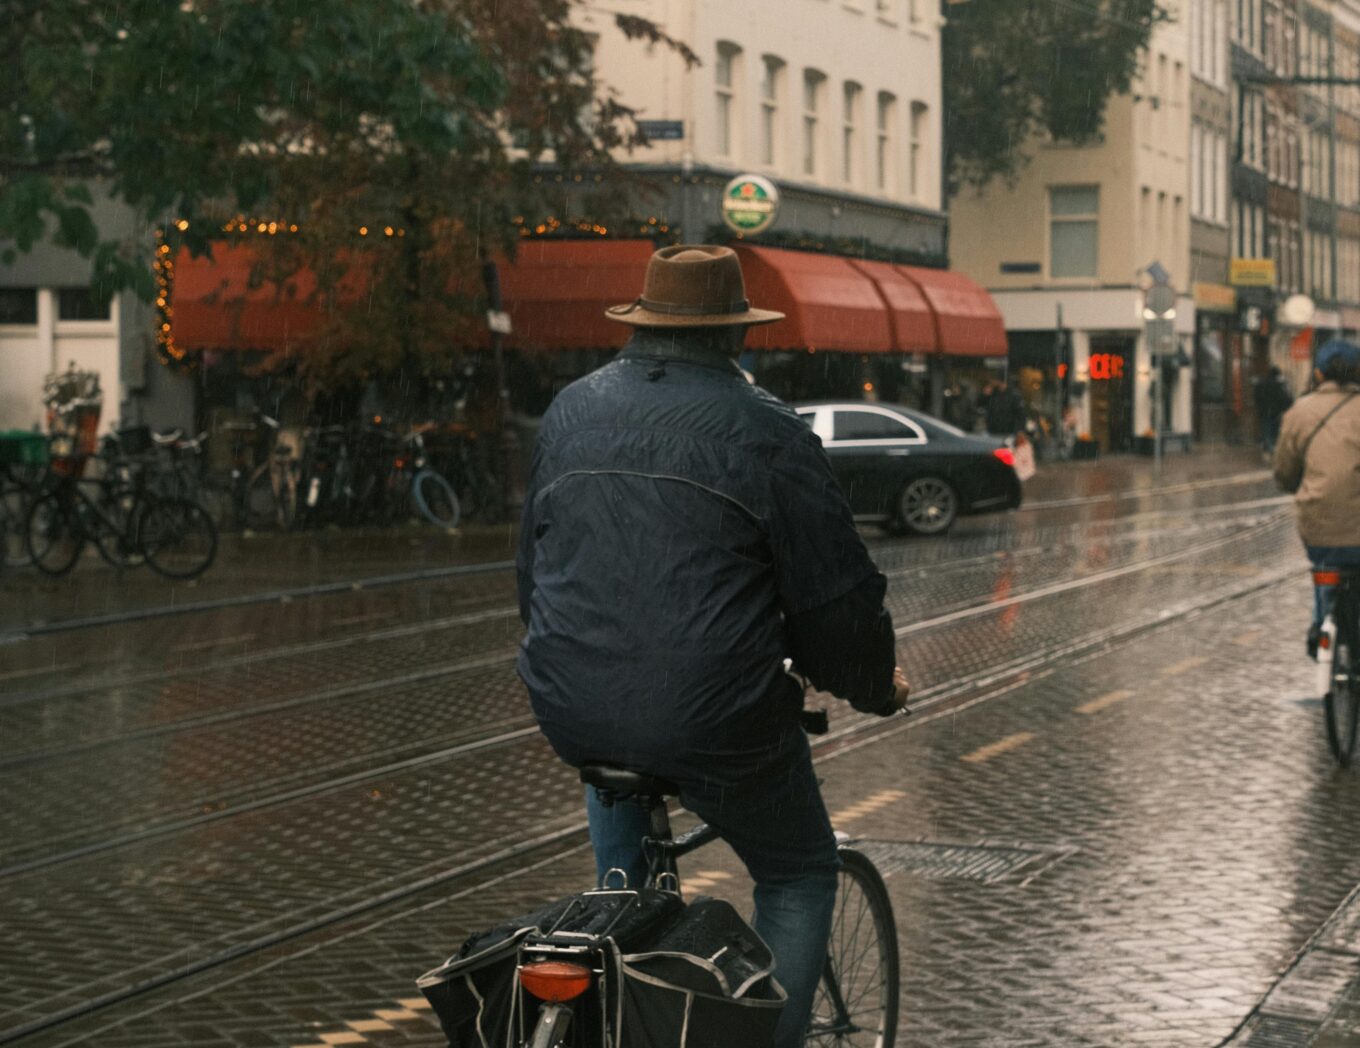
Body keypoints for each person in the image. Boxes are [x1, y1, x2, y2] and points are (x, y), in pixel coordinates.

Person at [516, 245, 911, 1048]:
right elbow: (834, 598)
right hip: (712, 712)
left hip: (574, 702)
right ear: (736, 333)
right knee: (799, 872)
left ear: (644, 324)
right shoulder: (768, 430)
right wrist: (875, 684)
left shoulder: (570, 411)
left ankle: (623, 947)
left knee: (624, 899)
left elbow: (533, 570)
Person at [1273, 339, 1360, 657]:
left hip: (1319, 527)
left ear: (1319, 374)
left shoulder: (1300, 411)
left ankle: (1322, 625)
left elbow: (1284, 473)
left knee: (1327, 567)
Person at [1254, 365, 1293, 455]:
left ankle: (1267, 448)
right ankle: (1271, 450)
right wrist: (1285, 408)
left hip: (1263, 412)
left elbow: (1256, 397)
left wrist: (1260, 407)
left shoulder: (1260, 384)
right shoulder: (1278, 385)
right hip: (1275, 412)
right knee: (1274, 431)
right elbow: (1284, 399)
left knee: (1265, 430)